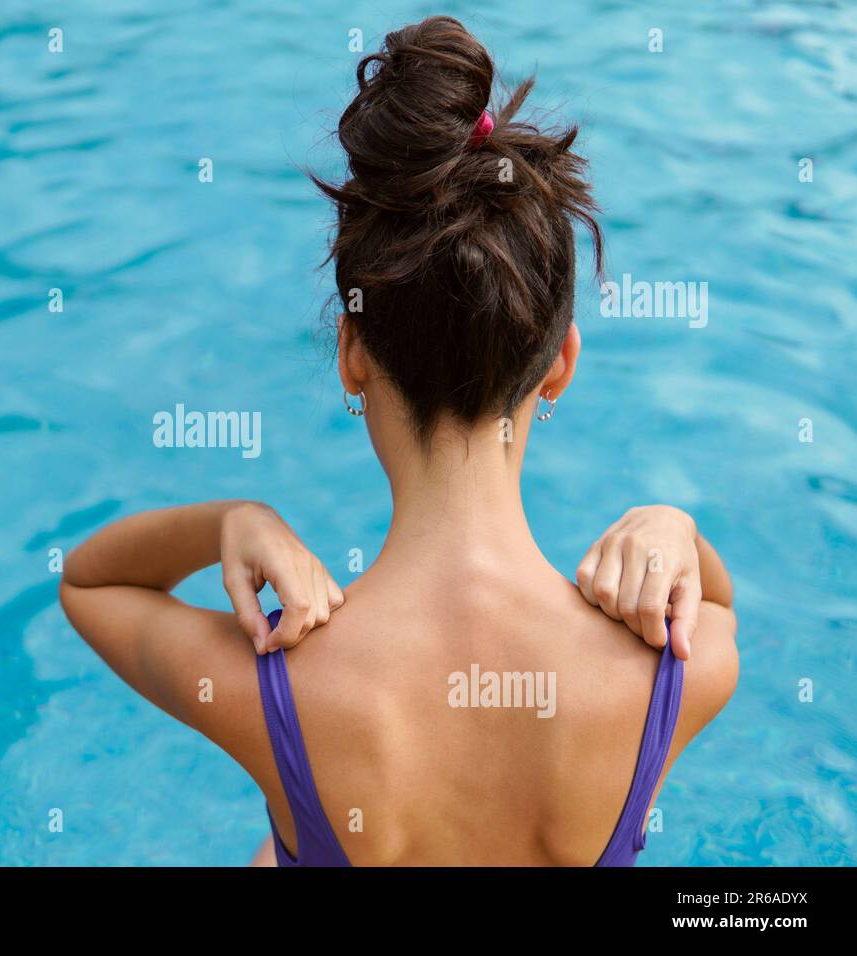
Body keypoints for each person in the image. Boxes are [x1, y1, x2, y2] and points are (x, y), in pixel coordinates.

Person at [59, 15, 737, 866]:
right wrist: (678, 530)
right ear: (559, 364)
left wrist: (229, 519)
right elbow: (718, 609)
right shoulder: (673, 675)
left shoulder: (273, 685)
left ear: (352, 354)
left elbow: (89, 583)